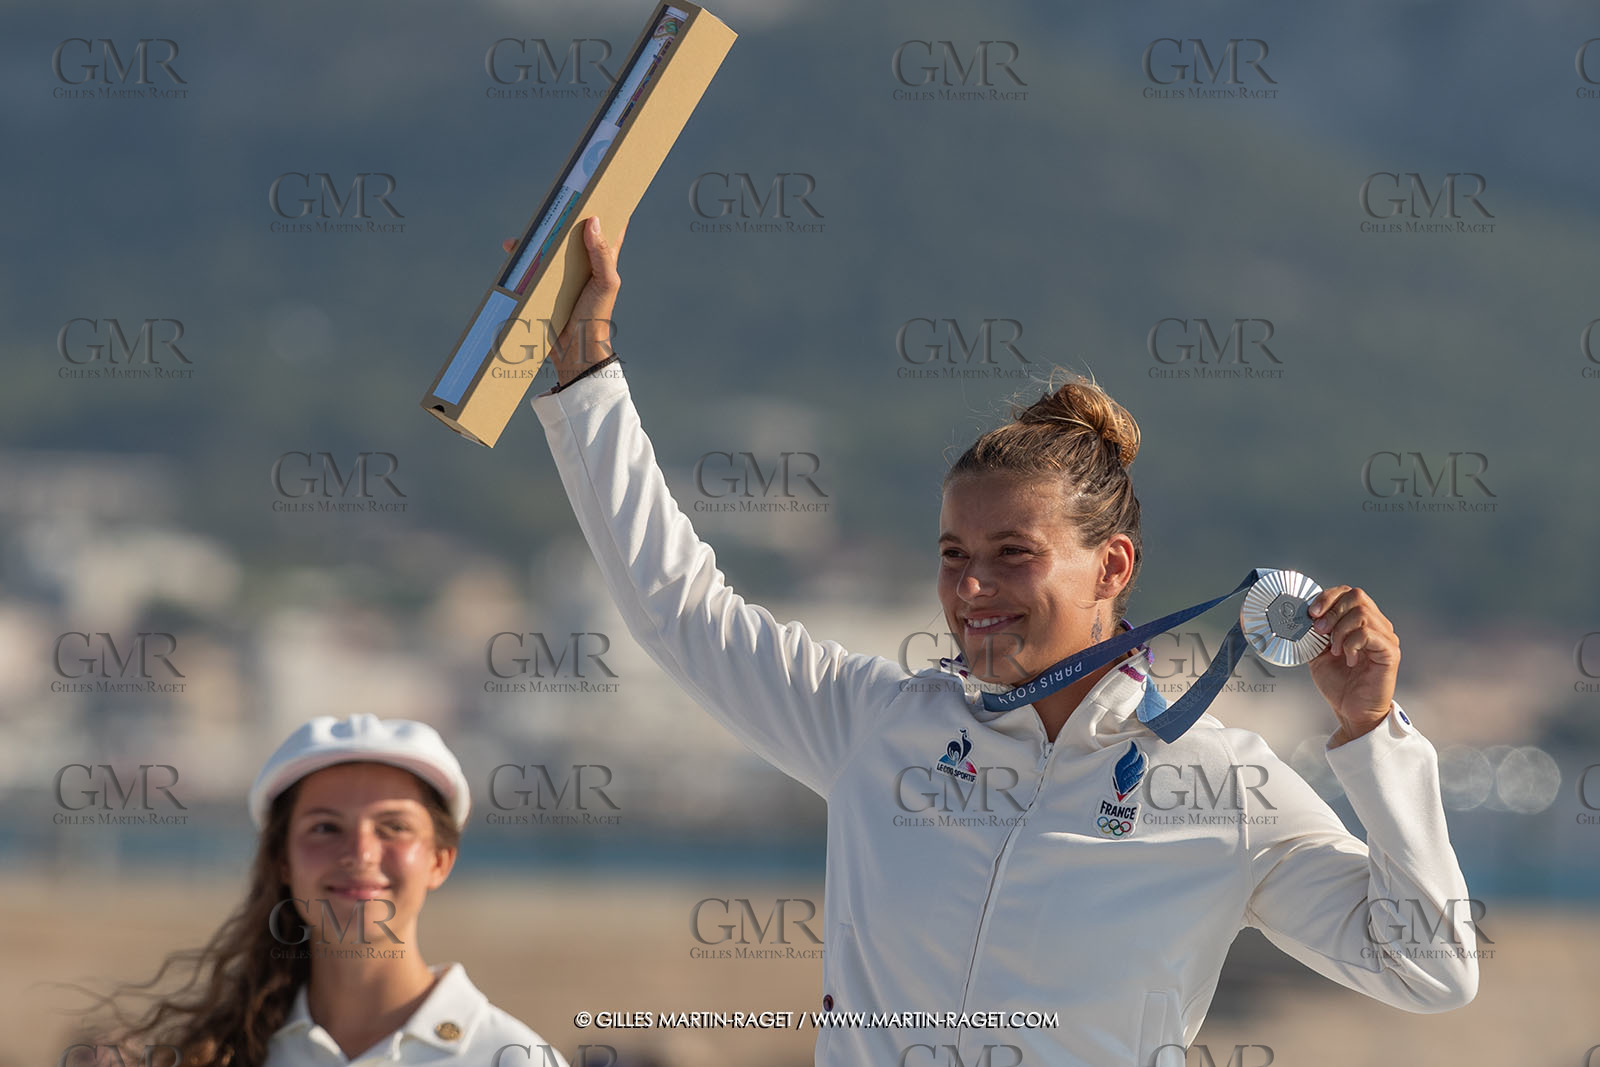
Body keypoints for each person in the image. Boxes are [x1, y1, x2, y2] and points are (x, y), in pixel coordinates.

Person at [528, 216, 1479, 1065]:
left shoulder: (1222, 784)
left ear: (1113, 568)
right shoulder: (877, 723)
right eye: (953, 553)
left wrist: (1372, 733)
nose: (971, 587)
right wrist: (585, 380)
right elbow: (677, 608)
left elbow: (1432, 968)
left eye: (1013, 554)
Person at [69, 714, 567, 1067]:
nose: (361, 852)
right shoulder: (215, 1054)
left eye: (393, 826)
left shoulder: (512, 1057)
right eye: (326, 828)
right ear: (282, 861)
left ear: (440, 860)